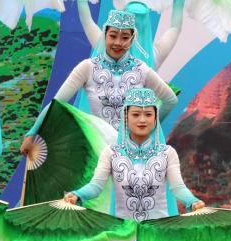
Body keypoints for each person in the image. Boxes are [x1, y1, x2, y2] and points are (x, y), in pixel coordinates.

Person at [21, 9, 177, 159]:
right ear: (105, 35)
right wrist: (32, 134)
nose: (118, 43)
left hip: (131, 154)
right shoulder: (87, 68)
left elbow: (170, 99)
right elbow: (57, 103)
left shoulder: (141, 69)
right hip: (97, 152)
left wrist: (146, 128)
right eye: (113, 36)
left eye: (124, 38)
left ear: (132, 39)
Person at [64, 87, 205, 221]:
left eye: (148, 114)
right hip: (124, 230)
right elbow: (96, 186)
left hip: (158, 230)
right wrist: (77, 195)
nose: (142, 120)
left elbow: (178, 188)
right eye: (136, 114)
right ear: (126, 117)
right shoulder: (111, 153)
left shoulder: (167, 153)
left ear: (155, 119)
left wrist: (192, 201)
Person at [70, 0, 188, 70]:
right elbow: (175, 28)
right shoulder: (155, 55)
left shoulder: (105, 46)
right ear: (147, 25)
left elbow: (88, 22)